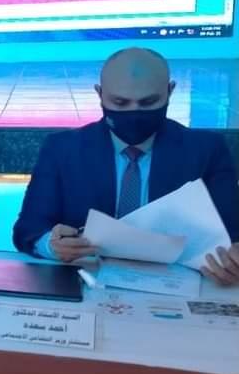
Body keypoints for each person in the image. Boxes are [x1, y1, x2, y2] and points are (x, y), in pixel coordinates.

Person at [13, 48, 239, 285]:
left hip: (178, 284)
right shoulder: (62, 149)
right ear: (100, 94)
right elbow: (28, 229)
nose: (134, 112)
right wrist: (51, 245)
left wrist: (233, 257)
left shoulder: (206, 150)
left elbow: (231, 232)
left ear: (170, 91)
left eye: (148, 102)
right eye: (120, 102)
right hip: (87, 284)